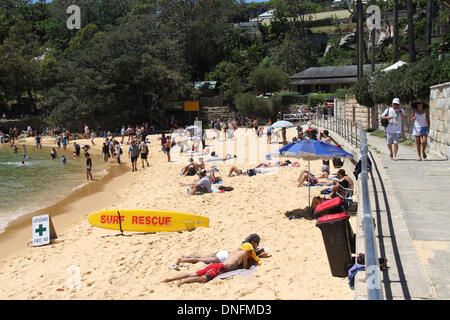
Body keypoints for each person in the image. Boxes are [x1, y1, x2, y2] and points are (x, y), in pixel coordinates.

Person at [162, 234, 261, 287]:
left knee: (193, 273)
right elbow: (244, 268)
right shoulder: (244, 253)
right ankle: (182, 282)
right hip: (220, 268)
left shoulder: (237, 250)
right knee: (203, 279)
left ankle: (169, 279)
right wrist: (252, 261)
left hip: (216, 265)